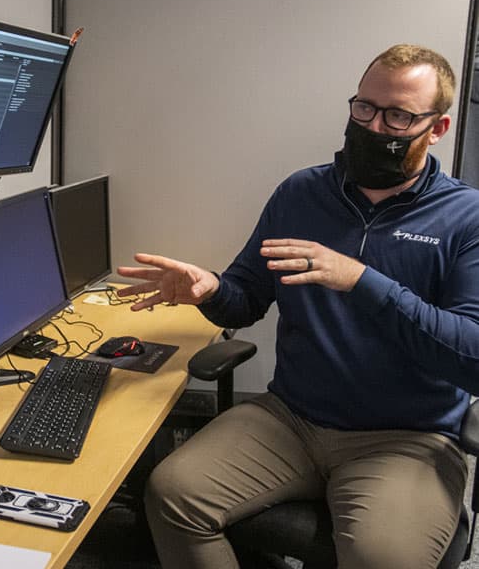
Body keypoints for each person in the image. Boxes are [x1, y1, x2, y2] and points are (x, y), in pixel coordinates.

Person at [116, 44, 479, 569]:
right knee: (173, 494)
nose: (375, 127)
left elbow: (471, 356)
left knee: (383, 558)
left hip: (406, 436)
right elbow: (244, 302)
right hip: (292, 418)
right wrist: (208, 290)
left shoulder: (465, 218)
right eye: (364, 108)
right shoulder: (302, 194)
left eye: (398, 116)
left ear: (437, 128)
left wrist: (360, 280)